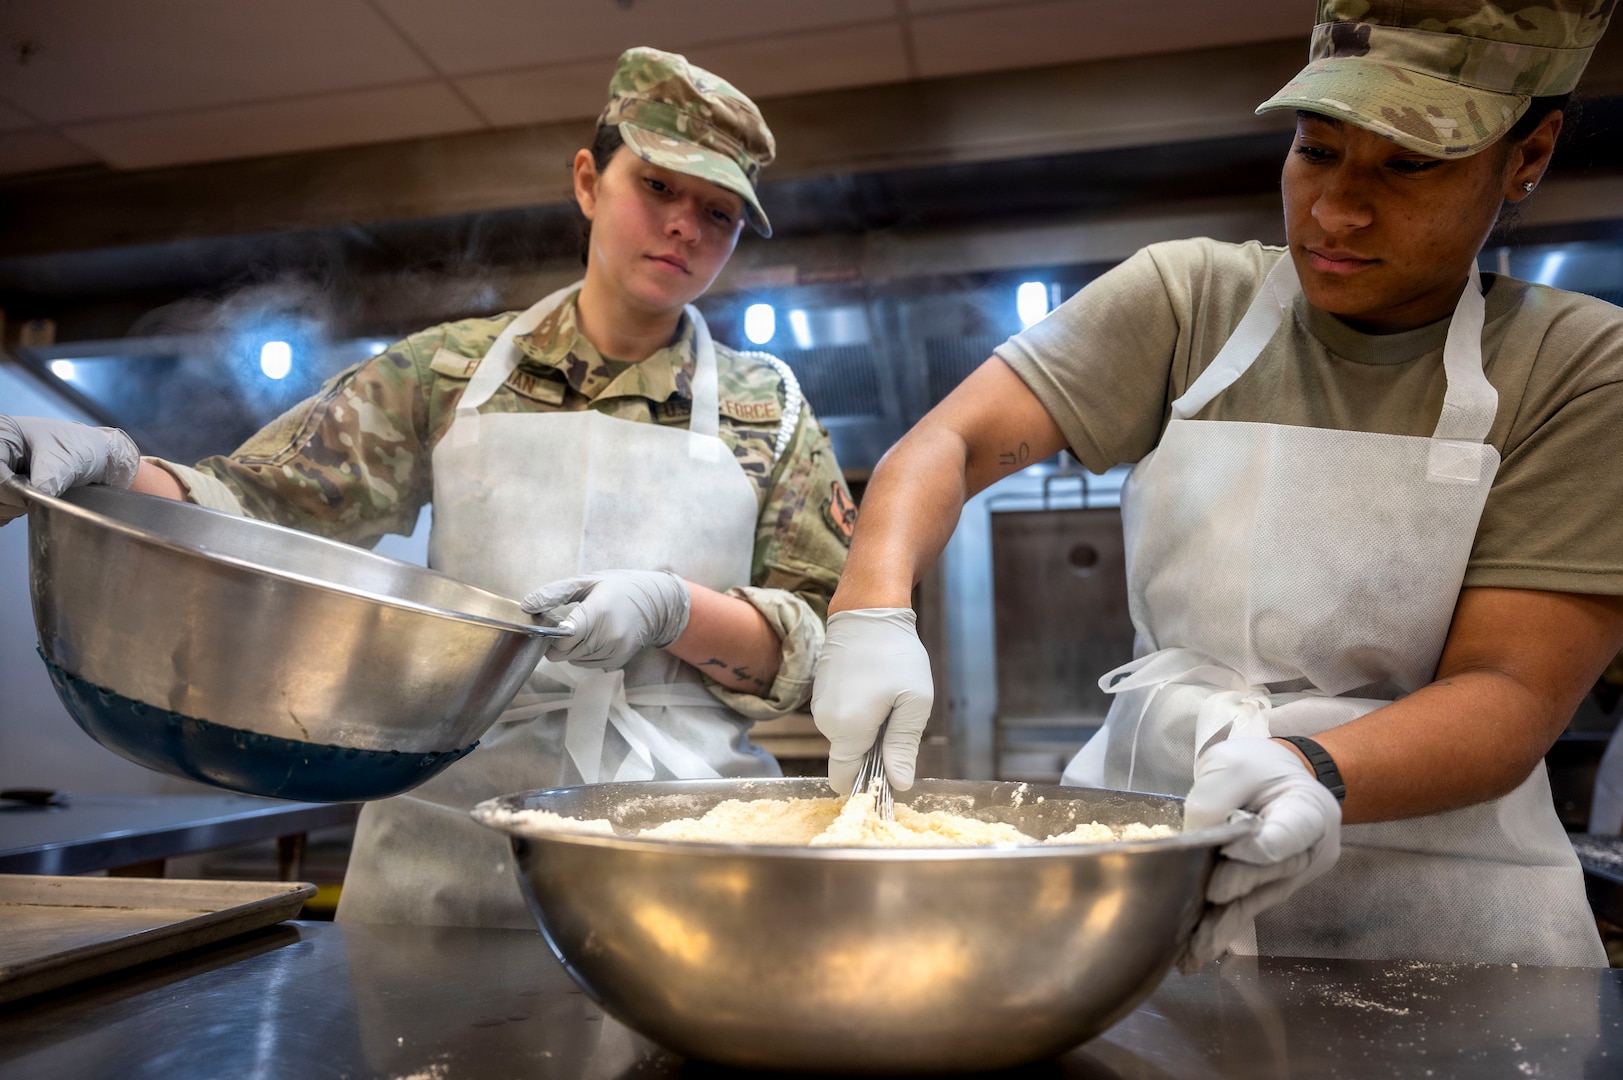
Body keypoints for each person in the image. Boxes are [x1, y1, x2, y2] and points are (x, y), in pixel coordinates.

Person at [812, 0, 1623, 968]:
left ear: (1527, 155)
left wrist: (1302, 767)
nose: (1336, 209)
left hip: (1439, 920)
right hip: (1157, 865)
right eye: (1317, 150)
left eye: (1409, 165)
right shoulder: (1188, 303)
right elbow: (946, 443)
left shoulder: (1577, 368)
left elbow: (1510, 691)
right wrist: (871, 608)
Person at [0, 47, 854, 928]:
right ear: (587, 182)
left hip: (682, 841)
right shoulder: (448, 371)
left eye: (717, 211)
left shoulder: (769, 411)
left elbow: (825, 647)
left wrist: (674, 611)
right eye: (658, 186)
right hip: (450, 842)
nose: (683, 226)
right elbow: (259, 506)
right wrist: (112, 468)